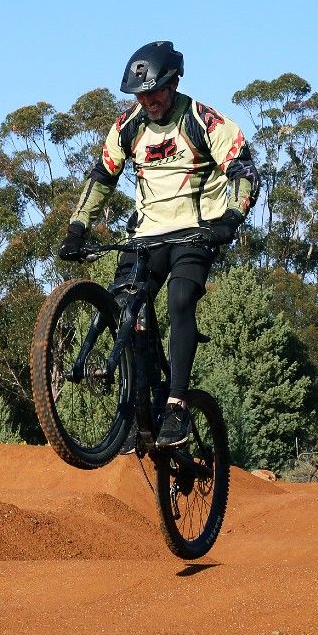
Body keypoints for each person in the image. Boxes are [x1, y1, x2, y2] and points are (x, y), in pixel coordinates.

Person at [58, 40, 259, 448]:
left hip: (195, 232)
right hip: (145, 235)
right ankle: (136, 409)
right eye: (140, 94)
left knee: (180, 300)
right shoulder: (126, 126)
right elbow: (102, 177)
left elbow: (244, 170)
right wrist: (77, 226)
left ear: (174, 82)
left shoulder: (205, 121)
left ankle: (177, 405)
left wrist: (232, 218)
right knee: (123, 306)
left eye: (155, 91)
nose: (147, 100)